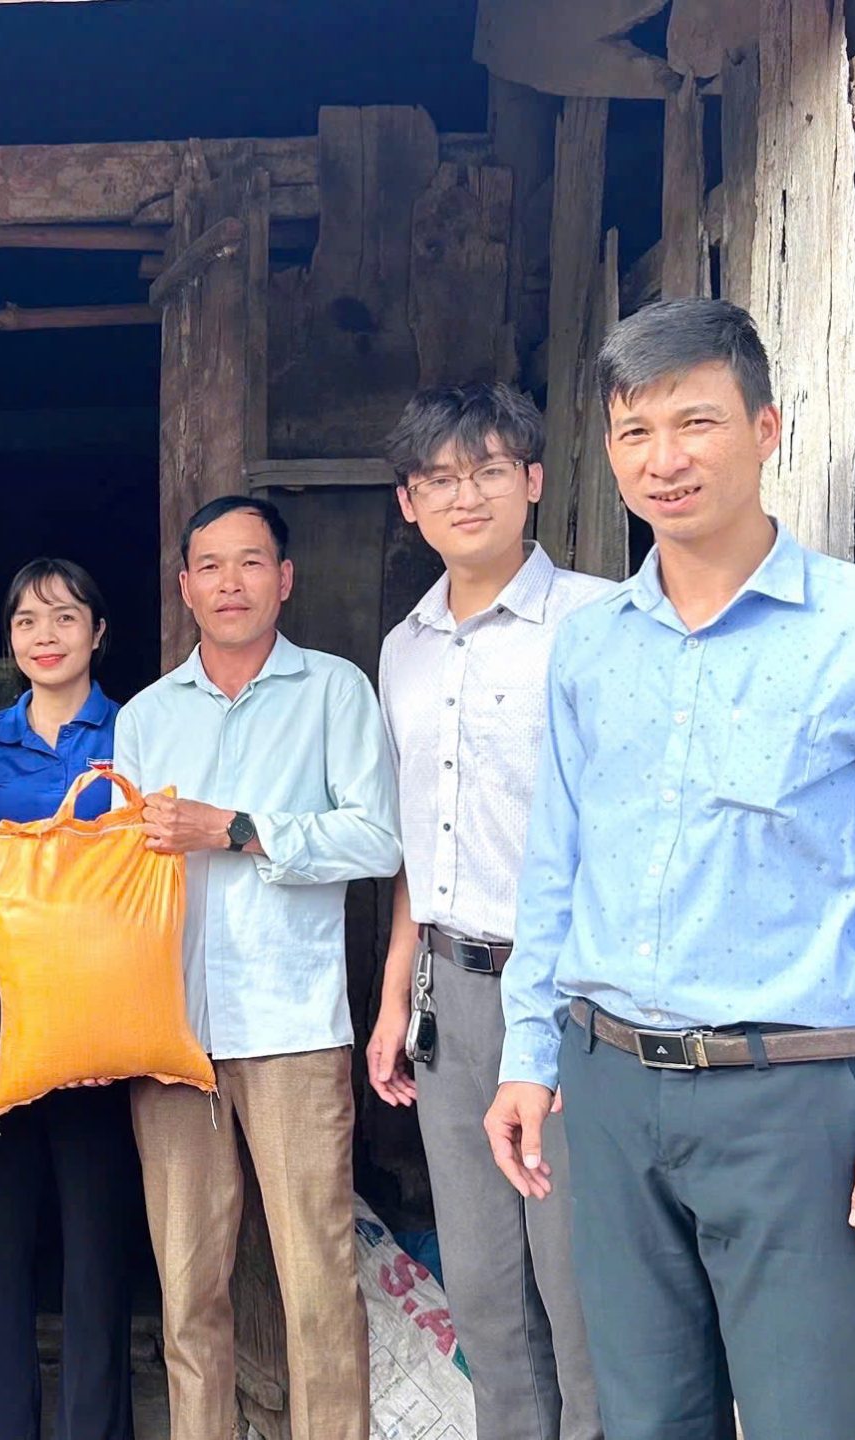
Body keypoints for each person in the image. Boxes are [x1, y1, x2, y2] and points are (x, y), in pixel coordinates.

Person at [485, 298, 855, 1440]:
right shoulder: (590, 644)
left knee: (812, 1420)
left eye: (695, 422)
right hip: (611, 1088)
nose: (663, 460)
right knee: (647, 1420)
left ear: (765, 429)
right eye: (634, 432)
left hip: (793, 1098)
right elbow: (556, 866)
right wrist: (528, 1053)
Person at [113, 494, 401, 1440]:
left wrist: (237, 829)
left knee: (315, 1281)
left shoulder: (334, 691)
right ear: (185, 586)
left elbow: (378, 839)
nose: (229, 583)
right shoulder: (148, 715)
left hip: (291, 1023)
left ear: (284, 579)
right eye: (210, 566)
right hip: (171, 1033)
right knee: (187, 1290)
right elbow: (123, 868)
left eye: (249, 563)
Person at [364, 385, 608, 1440]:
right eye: (440, 479)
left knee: (579, 1284)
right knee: (484, 1288)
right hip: (449, 998)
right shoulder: (404, 648)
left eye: (489, 471)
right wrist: (394, 999)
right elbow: (421, 843)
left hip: (567, 991)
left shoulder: (599, 623)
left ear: (533, 481)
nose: (465, 496)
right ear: (409, 501)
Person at [0, 559, 140, 1440]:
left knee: (96, 1241)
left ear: (98, 631)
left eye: (65, 617)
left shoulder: (136, 730)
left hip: (105, 1014)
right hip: (3, 1013)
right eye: (27, 620)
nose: (46, 635)